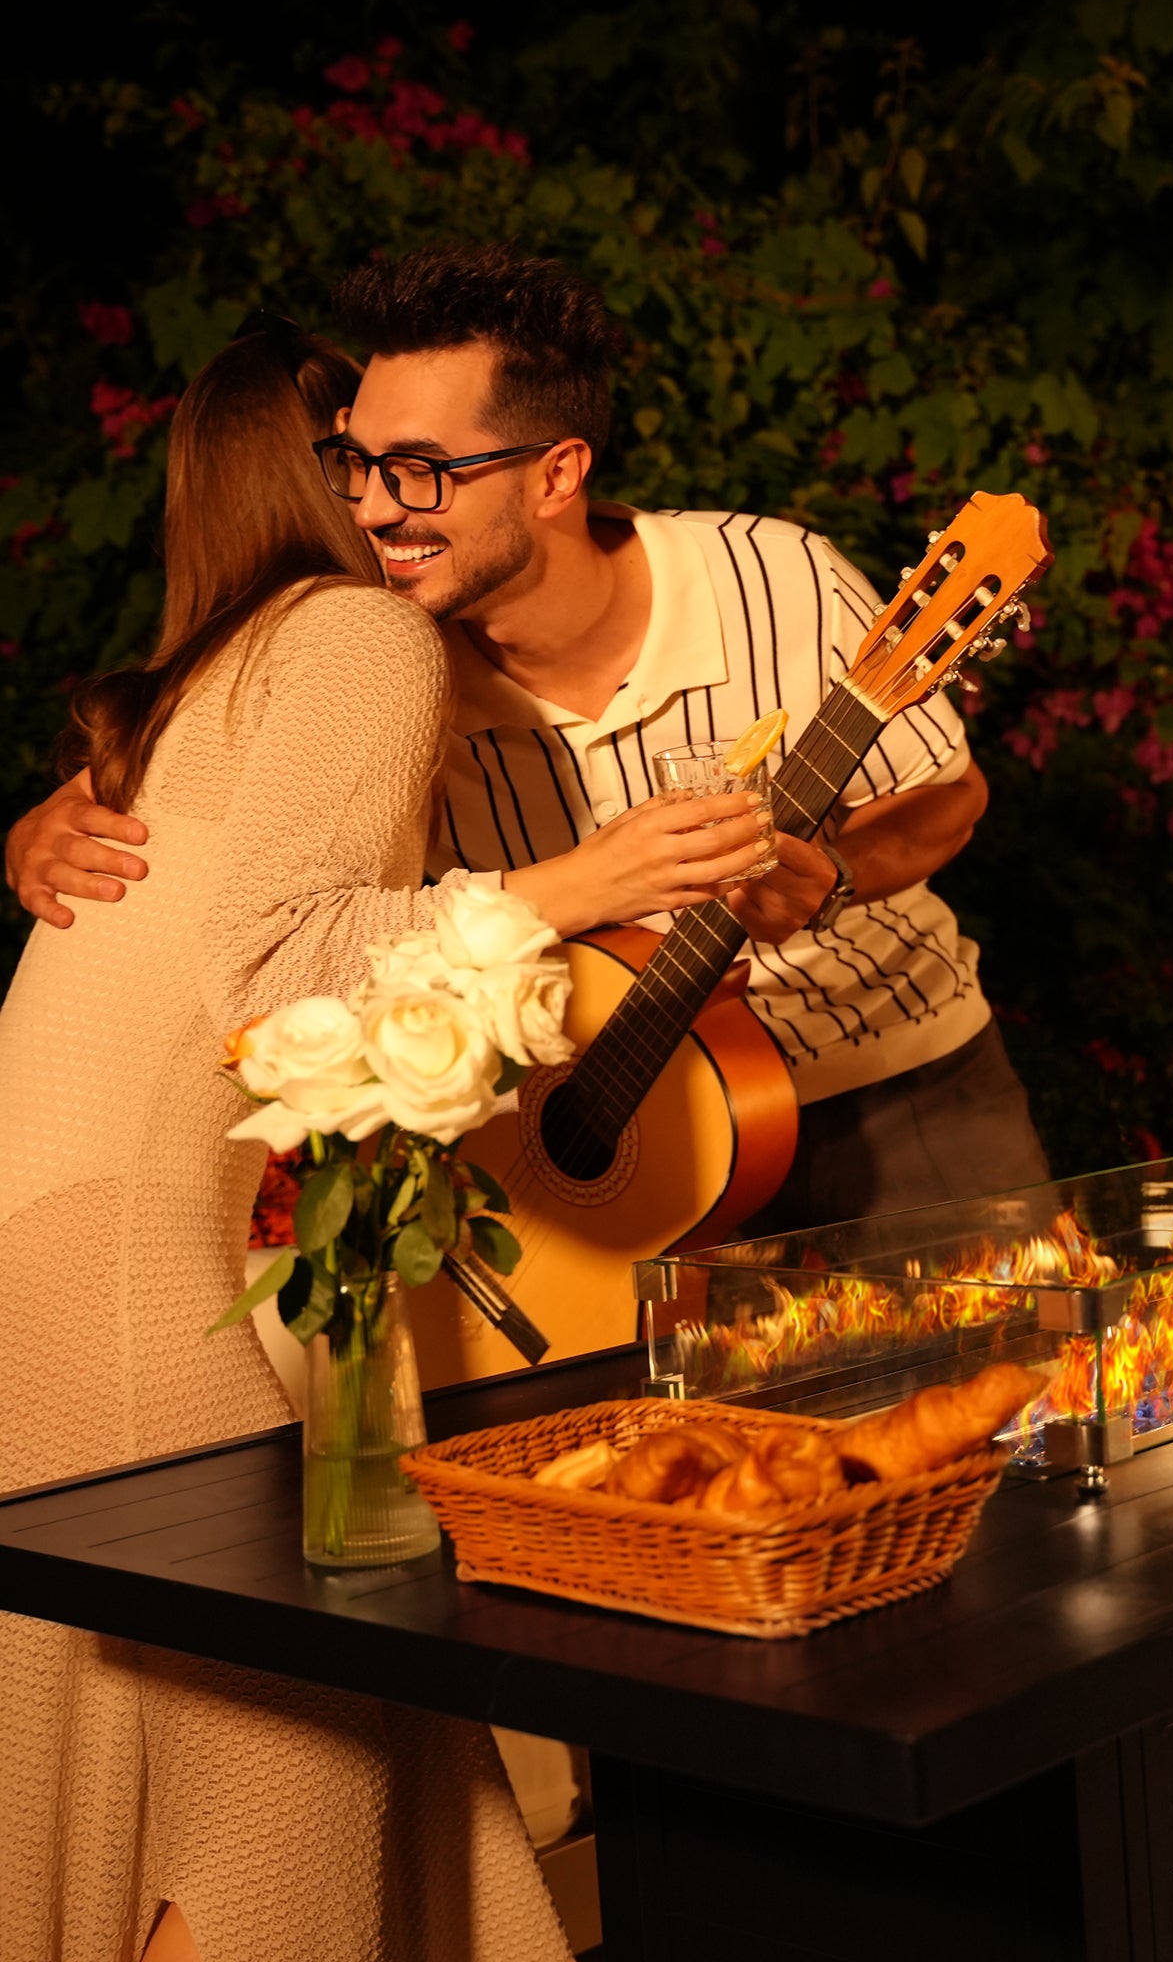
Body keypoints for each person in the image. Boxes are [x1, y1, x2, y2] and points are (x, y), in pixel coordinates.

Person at [0, 319, 766, 1960]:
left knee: (200, 1750)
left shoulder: (209, 669)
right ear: (314, 474)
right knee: (287, 1768)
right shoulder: (353, 640)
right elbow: (272, 966)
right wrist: (592, 883)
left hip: (48, 1266)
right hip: (126, 1281)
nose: (405, 492)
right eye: (369, 457)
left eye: (428, 461)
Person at [8, 243, 1049, 1232]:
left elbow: (948, 796)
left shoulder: (775, 578)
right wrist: (65, 816)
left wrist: (830, 874)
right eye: (354, 465)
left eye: (417, 469)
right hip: (613, 1145)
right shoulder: (380, 670)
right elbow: (265, 880)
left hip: (893, 1082)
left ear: (556, 475)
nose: (370, 508)